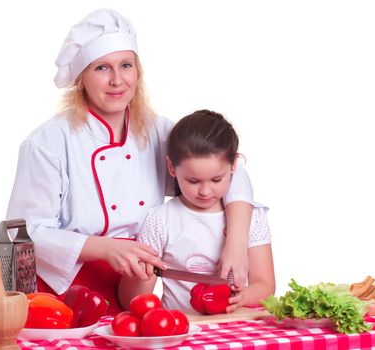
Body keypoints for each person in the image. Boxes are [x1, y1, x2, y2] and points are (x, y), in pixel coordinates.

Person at [6, 9, 257, 315]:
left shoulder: (158, 130)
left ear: (138, 71)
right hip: (65, 290)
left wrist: (237, 243)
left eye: (126, 65)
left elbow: (227, 169)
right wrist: (105, 248)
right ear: (81, 78)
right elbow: (22, 234)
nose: (117, 80)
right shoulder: (48, 143)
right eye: (101, 68)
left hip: (138, 284)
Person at [118, 110, 275, 313]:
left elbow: (265, 285)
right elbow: (131, 300)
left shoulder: (251, 218)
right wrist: (141, 273)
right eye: (192, 181)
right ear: (172, 168)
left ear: (234, 165)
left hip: (233, 325)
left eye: (216, 179)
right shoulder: (161, 219)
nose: (205, 191)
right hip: (181, 327)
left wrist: (242, 298)